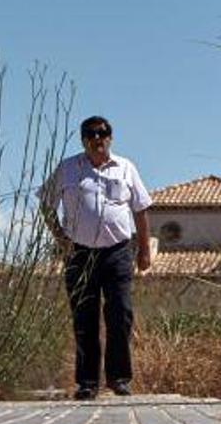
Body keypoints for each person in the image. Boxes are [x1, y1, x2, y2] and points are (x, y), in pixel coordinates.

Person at [41, 115, 153, 399]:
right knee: (84, 317)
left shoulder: (126, 168)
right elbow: (46, 204)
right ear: (83, 140)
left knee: (120, 314)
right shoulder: (67, 169)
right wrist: (61, 238)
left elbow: (140, 210)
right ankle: (87, 383)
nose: (97, 138)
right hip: (79, 253)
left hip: (118, 251)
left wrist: (144, 250)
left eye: (102, 133)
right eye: (90, 134)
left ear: (110, 138)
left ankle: (119, 379)